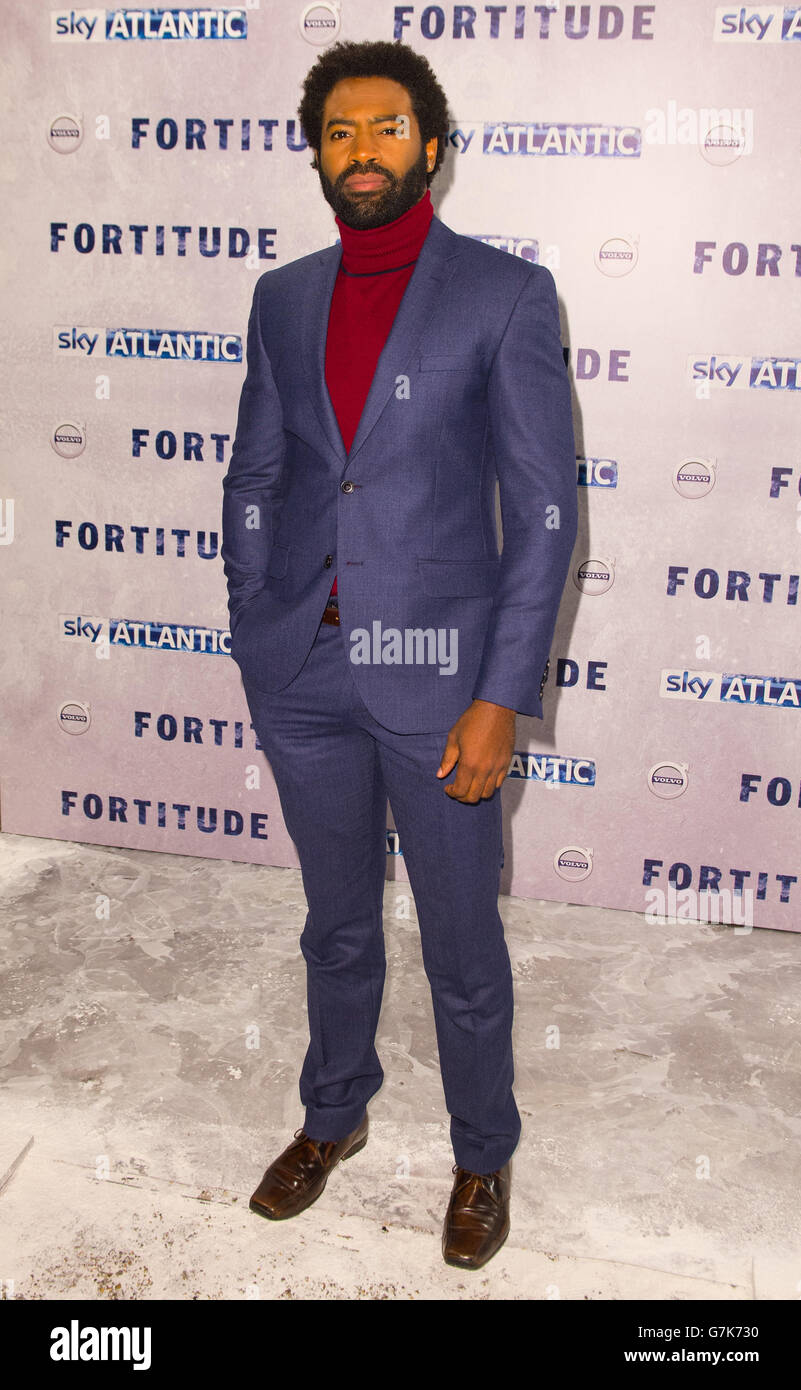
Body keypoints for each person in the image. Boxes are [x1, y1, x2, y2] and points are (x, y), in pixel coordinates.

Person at [221, 39, 577, 1270]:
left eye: (384, 127)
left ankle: (482, 1152)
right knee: (334, 925)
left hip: (438, 681)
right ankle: (334, 1114)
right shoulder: (280, 296)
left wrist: (498, 697)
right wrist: (252, 619)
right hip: (302, 674)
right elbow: (256, 474)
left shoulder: (503, 295)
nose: (360, 148)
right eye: (337, 130)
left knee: (460, 935)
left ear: (430, 145)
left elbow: (541, 513)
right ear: (315, 154)